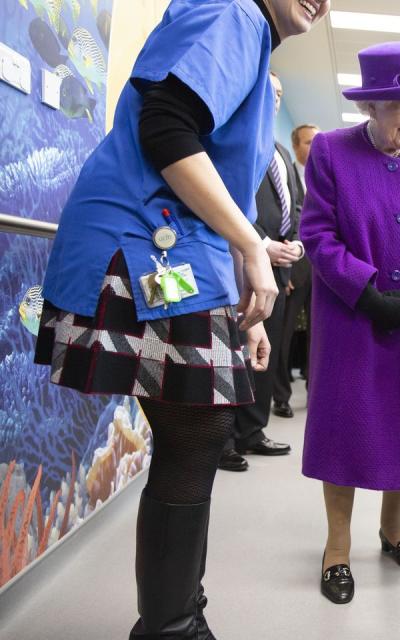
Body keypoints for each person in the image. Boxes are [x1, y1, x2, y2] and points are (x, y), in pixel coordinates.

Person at [32, 0, 328, 636]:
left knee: (198, 431)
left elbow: (209, 181)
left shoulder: (250, 34)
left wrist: (245, 304)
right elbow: (167, 129)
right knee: (197, 430)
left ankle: (174, 620)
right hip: (142, 242)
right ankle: (172, 626)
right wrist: (251, 246)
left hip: (171, 251)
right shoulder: (237, 13)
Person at [298, 39, 400, 605]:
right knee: (346, 428)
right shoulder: (331, 152)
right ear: (370, 108)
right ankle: (337, 548)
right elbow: (316, 233)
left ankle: (393, 529)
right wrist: (365, 292)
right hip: (352, 323)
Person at [220, 72, 300, 471]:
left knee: (268, 353)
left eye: (280, 94)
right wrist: (261, 244)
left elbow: (297, 206)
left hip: (281, 272)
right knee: (234, 351)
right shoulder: (236, 142)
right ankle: (225, 440)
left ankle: (253, 431)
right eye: (270, 92)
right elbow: (227, 204)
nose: (275, 100)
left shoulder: (281, 152)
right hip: (241, 262)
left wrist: (296, 245)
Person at [272, 122, 320, 418]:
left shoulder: (327, 175)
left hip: (324, 272)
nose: (315, 147)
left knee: (320, 335)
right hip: (295, 268)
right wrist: (286, 271)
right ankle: (281, 396)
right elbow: (285, 220)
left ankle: (316, 393)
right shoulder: (287, 173)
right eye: (309, 142)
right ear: (296, 146)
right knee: (284, 335)